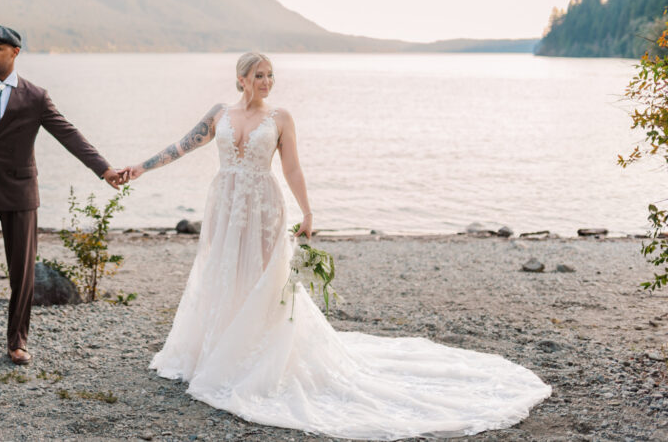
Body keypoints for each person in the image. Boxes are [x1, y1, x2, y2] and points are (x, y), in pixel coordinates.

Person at [126, 52, 551, 439]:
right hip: (224, 205)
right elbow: (182, 146)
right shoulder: (219, 114)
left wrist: (308, 212)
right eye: (259, 75)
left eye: (271, 75)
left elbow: (291, 167)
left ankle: (254, 358)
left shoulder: (281, 118)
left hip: (263, 208)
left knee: (262, 282)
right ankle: (215, 350)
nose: (267, 82)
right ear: (240, 78)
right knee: (221, 274)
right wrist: (140, 168)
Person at [0, 25, 127, 367]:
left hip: (20, 193)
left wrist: (104, 169)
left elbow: (69, 134)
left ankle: (17, 343)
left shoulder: (36, 96)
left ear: (15, 53)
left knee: (22, 273)